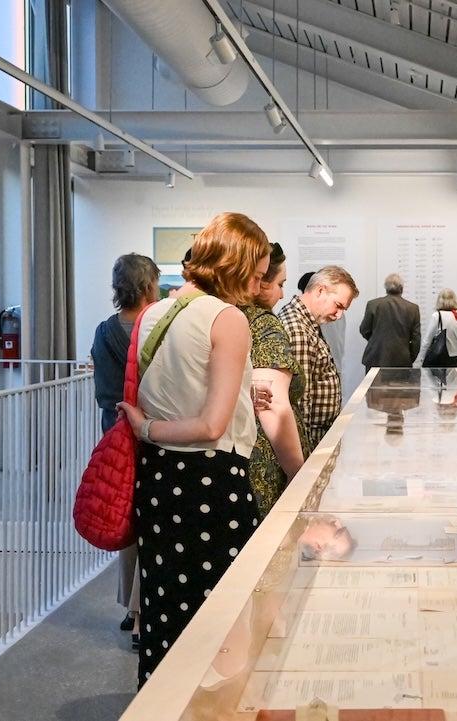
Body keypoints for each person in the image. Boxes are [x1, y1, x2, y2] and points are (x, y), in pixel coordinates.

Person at [116, 211, 270, 687]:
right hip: (211, 485)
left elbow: (176, 389)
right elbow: (210, 425)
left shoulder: (153, 314)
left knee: (166, 617)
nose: (260, 285)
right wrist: (149, 430)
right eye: (258, 274)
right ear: (237, 265)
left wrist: (150, 431)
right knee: (220, 624)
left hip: (160, 483)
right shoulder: (228, 319)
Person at [89, 252, 160, 647]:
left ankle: (128, 606)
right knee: (151, 520)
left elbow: (103, 389)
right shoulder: (156, 329)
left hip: (113, 433)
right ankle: (142, 610)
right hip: (151, 431)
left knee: (125, 519)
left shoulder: (102, 331)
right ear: (150, 285)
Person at [240, 242, 307, 517]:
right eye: (280, 284)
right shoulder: (263, 323)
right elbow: (273, 404)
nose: (282, 294)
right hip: (266, 462)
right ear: (261, 283)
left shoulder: (225, 315)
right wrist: (297, 474)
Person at [278, 265, 359, 453]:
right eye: (338, 306)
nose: (339, 315)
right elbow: (299, 403)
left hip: (318, 439)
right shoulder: (298, 329)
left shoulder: (307, 323)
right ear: (320, 290)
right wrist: (302, 462)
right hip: (311, 444)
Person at [359, 273, 421, 370]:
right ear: (401, 288)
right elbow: (416, 340)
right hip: (402, 360)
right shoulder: (412, 308)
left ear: (386, 288)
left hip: (376, 358)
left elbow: (364, 330)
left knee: (374, 385)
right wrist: (408, 357)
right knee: (399, 386)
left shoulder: (373, 305)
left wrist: (376, 340)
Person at [415, 288, 457, 368]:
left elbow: (427, 341)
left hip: (440, 359)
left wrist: (421, 359)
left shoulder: (437, 316)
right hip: (456, 359)